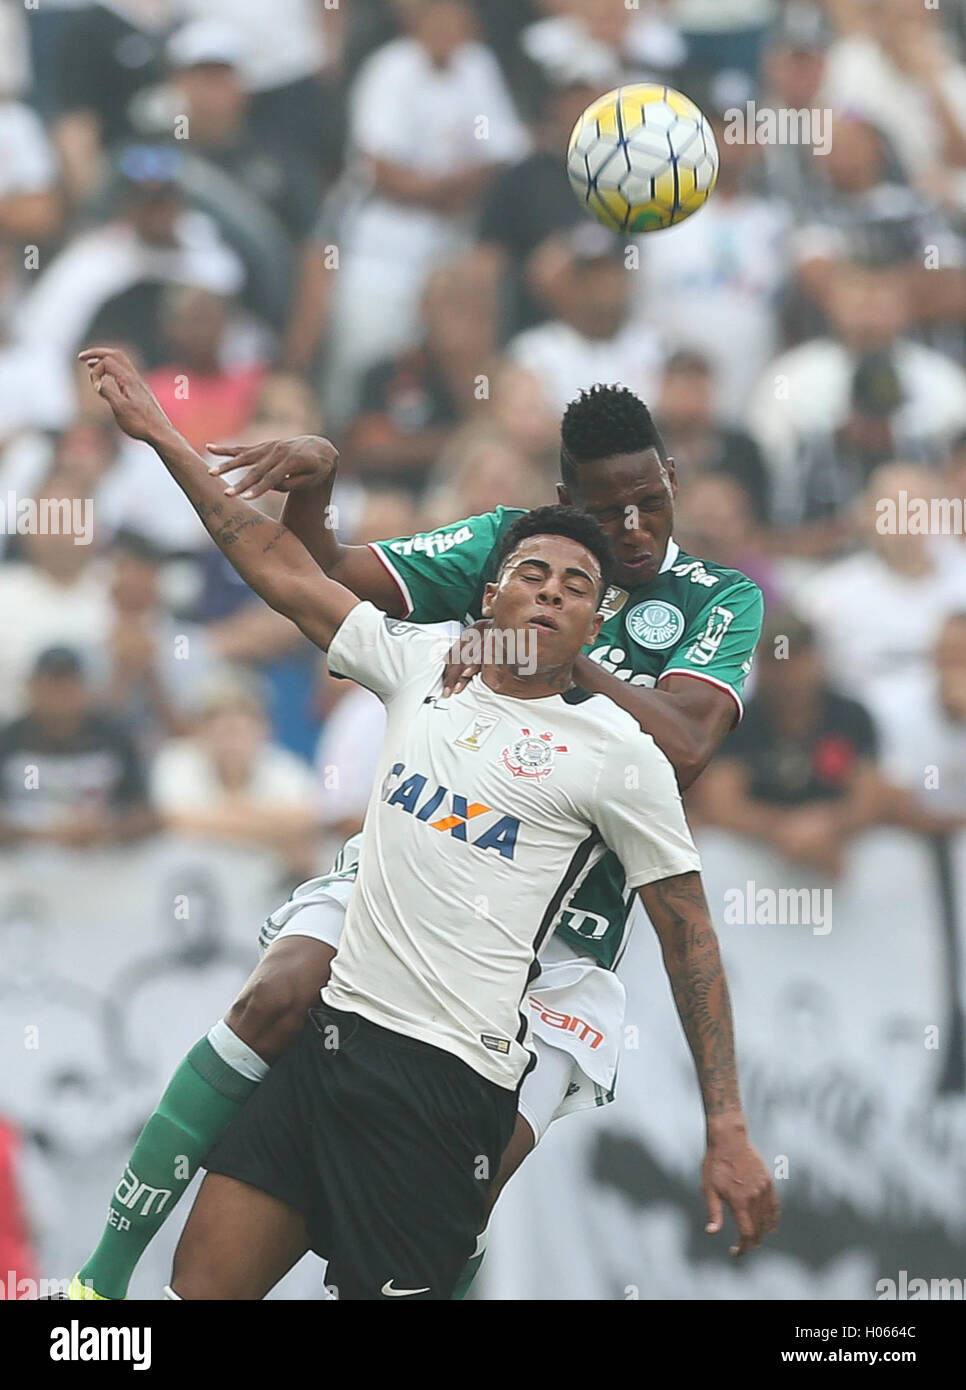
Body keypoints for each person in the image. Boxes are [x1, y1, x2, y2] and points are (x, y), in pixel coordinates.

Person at [73, 346, 778, 1300]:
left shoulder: (709, 612)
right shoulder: (499, 563)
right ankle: (97, 1290)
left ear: (673, 482)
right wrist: (262, 468)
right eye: (607, 508)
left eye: (651, 502)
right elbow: (305, 570)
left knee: (465, 1186)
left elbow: (687, 749)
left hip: (564, 954)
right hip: (410, 892)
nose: (633, 526)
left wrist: (543, 651)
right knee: (282, 993)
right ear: (553, 503)